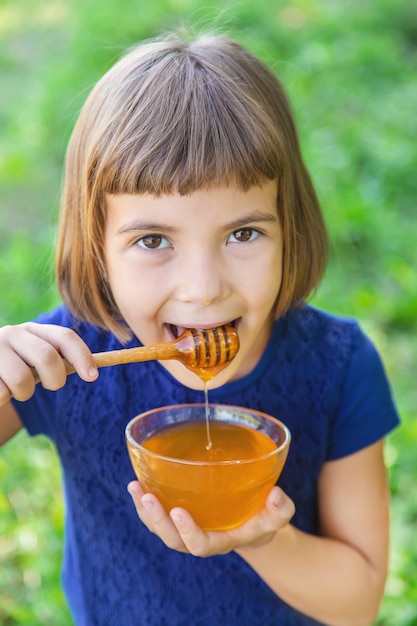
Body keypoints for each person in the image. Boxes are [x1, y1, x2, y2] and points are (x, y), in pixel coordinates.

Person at [0, 32, 399, 626]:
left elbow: (359, 601)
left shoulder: (338, 366)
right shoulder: (67, 362)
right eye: (153, 240)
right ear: (98, 251)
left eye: (243, 234)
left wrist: (260, 536)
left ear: (290, 228)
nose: (204, 287)